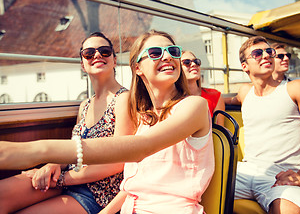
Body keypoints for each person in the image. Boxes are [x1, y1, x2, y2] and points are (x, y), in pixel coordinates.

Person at [0, 30, 214, 214]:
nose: (167, 57)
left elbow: (141, 148)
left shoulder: (194, 106)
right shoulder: (144, 117)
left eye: (173, 51)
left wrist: (41, 151)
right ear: (137, 68)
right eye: (156, 53)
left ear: (113, 60)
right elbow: (133, 186)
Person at [0, 32, 134, 214]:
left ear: (114, 60)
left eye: (104, 51)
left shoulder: (123, 99)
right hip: (67, 179)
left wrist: (63, 178)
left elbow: (119, 161)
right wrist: (52, 165)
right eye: (89, 53)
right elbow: (73, 148)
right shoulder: (85, 105)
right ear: (82, 64)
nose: (97, 55)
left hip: (96, 193)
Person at [232, 36, 300, 213]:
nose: (266, 56)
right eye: (257, 53)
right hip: (245, 171)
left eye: (269, 52)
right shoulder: (245, 92)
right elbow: (223, 98)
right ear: (244, 66)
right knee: (193, 189)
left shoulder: (297, 88)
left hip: (282, 175)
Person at [181, 50, 225, 125]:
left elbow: (219, 131)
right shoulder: (173, 100)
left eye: (196, 61)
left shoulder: (214, 96)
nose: (193, 64)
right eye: (187, 62)